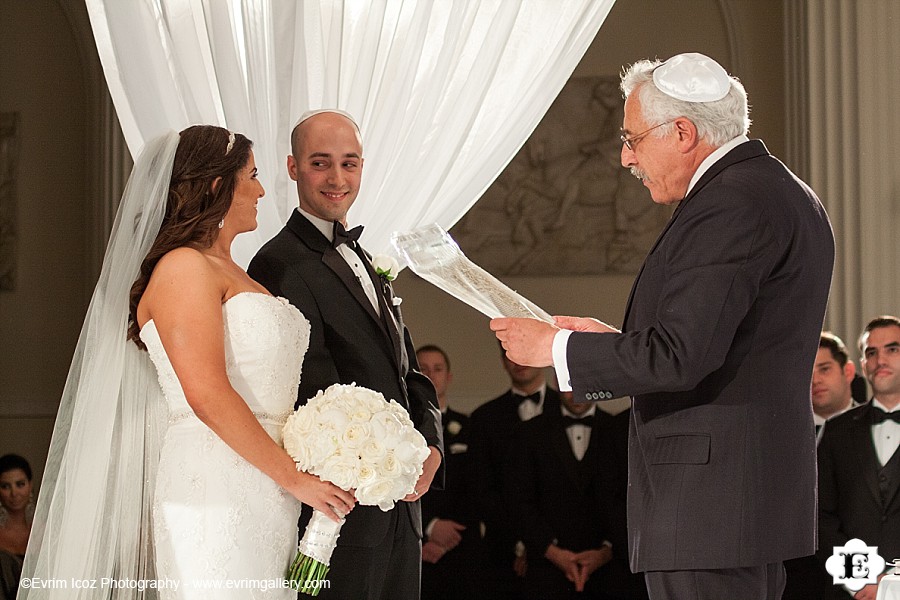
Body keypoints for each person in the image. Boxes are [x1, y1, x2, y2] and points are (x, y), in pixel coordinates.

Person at [491, 52, 834, 600]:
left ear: (681, 131)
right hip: (734, 503)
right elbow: (715, 341)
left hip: (709, 503)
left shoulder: (731, 201)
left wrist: (556, 349)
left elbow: (680, 356)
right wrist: (605, 347)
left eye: (632, 139)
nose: (625, 158)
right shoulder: (777, 190)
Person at [21, 126, 355, 600]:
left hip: (267, 484)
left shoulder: (235, 272)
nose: (262, 189)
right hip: (215, 483)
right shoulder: (183, 267)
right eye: (253, 176)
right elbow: (206, 393)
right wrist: (295, 479)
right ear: (218, 185)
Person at [248, 109, 443, 600]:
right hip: (340, 510)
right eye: (320, 163)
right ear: (292, 168)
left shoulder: (366, 256)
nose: (337, 179)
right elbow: (308, 391)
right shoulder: (277, 263)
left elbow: (409, 371)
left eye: (349, 164)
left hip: (403, 507)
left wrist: (432, 445)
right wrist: (365, 463)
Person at [509, 393, 645, 600]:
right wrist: (553, 552)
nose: (577, 392)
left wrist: (606, 552)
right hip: (546, 571)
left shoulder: (619, 428)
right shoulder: (529, 433)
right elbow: (519, 500)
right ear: (556, 380)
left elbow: (627, 499)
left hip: (611, 572)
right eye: (570, 384)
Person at [817, 316, 900, 600]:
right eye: (871, 352)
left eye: (893, 349)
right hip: (853, 593)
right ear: (862, 364)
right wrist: (861, 579)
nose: (880, 360)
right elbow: (821, 517)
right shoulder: (835, 431)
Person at [468, 347, 561, 599]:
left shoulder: (567, 410)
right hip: (503, 555)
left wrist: (545, 545)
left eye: (526, 352)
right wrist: (521, 544)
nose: (519, 359)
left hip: (564, 552)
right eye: (510, 354)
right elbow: (483, 489)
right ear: (503, 362)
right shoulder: (483, 419)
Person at [416, 344, 482, 600]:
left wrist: (448, 538)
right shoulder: (400, 429)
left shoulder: (471, 426)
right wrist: (429, 529)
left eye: (438, 369)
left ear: (449, 376)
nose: (431, 375)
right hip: (417, 547)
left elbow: (479, 486)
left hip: (463, 549)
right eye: (423, 370)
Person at [0, 454, 33, 600]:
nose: (14, 493)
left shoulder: (45, 532)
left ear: (30, 485)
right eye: (5, 486)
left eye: (20, 484)